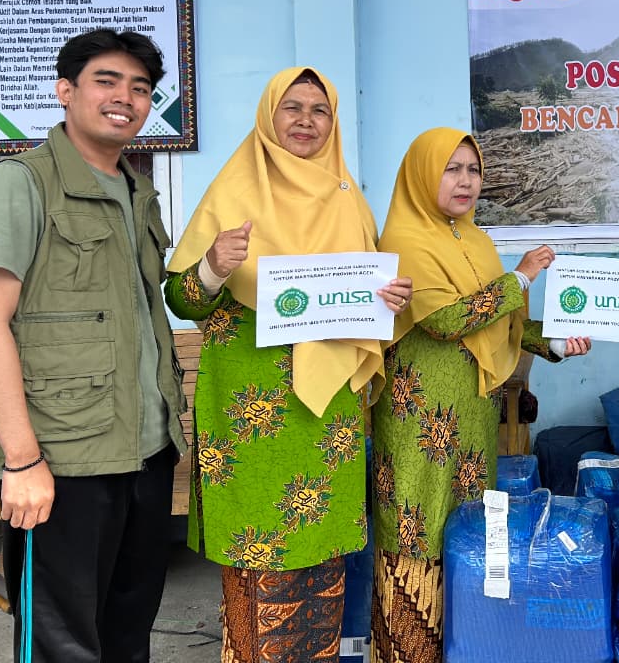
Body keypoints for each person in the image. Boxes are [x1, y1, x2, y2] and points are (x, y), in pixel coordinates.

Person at [165, 67, 412, 663]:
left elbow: (366, 293)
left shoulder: (347, 198)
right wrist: (213, 267)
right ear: (269, 115)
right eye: (293, 107)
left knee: (323, 563)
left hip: (326, 415)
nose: (306, 120)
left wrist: (388, 300)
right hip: (252, 413)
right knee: (258, 565)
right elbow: (180, 299)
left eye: (319, 110)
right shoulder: (233, 192)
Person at [0, 28, 187, 662]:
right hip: (61, 458)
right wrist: (21, 461)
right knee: (62, 643)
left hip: (146, 450)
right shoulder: (22, 182)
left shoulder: (137, 191)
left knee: (128, 631)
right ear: (65, 91)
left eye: (139, 88)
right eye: (106, 81)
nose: (125, 98)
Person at [370, 127, 590, 663]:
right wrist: (521, 278)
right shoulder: (404, 239)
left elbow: (497, 321)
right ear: (423, 175)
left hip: (471, 418)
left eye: (473, 170)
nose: (465, 181)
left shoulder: (475, 240)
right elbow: (446, 319)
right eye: (451, 169)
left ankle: (462, 648)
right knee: (416, 536)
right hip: (421, 423)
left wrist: (552, 340)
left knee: (467, 537)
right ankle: (405, 653)